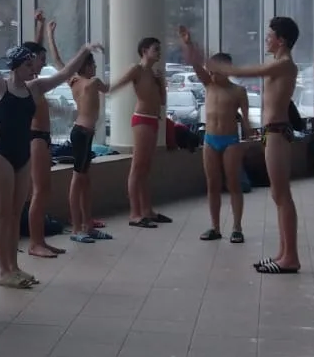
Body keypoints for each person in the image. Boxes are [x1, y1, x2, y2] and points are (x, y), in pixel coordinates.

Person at [0, 37, 102, 289]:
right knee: (2, 215)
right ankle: (4, 270)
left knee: (15, 215)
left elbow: (65, 73)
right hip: (0, 154)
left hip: (22, 154)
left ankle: (14, 267)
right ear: (15, 66)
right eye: (28, 65)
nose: (34, 68)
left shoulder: (35, 88)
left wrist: (84, 50)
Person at [206, 18, 302, 274]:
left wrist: (214, 64)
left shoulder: (284, 64)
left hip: (278, 133)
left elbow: (248, 72)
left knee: (282, 195)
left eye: (270, 35)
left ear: (281, 40)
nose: (266, 39)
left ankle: (291, 257)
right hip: (272, 133)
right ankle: (283, 253)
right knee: (278, 195)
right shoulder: (279, 64)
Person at [178, 27, 250, 244]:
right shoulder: (209, 85)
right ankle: (215, 226)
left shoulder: (238, 91)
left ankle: (237, 227)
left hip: (230, 141)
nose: (213, 75)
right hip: (210, 139)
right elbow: (195, 64)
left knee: (233, 184)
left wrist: (248, 139)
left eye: (218, 71)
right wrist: (188, 43)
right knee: (213, 184)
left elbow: (246, 120)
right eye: (212, 71)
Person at [52, 25, 109, 245]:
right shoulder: (92, 82)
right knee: (78, 180)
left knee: (85, 181)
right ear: (86, 67)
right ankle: (77, 228)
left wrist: (50, 35)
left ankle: (88, 226)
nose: (96, 68)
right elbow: (109, 88)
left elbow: (59, 63)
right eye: (93, 64)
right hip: (82, 134)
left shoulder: (74, 81)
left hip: (83, 133)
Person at [108, 37, 169, 228]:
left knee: (146, 168)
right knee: (137, 167)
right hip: (142, 119)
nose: (159, 53)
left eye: (159, 49)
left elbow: (162, 101)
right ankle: (134, 214)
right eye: (155, 49)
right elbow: (117, 85)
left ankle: (147, 210)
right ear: (144, 50)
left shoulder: (153, 73)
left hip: (153, 119)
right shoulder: (137, 69)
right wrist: (100, 89)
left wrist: (161, 82)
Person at [25, 14, 64, 260]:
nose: (44, 63)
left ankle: (40, 240)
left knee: (44, 190)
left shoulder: (33, 81)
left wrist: (41, 28)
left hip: (42, 138)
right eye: (41, 59)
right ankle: (35, 243)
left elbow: (32, 49)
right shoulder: (27, 82)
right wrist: (40, 31)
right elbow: (29, 52)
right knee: (39, 191)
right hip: (35, 138)